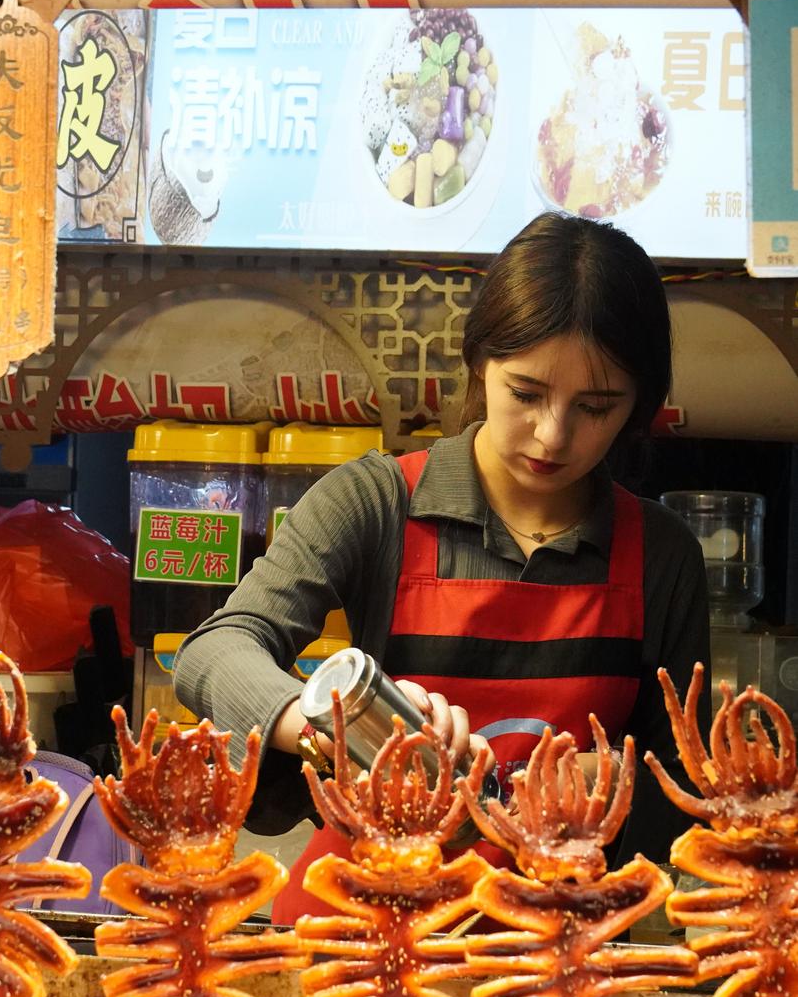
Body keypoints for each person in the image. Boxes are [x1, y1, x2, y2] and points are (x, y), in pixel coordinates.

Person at [173, 211, 710, 922]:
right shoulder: (375, 503)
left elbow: (690, 793)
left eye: (596, 407)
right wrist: (341, 733)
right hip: (357, 930)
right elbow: (213, 650)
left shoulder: (663, 554)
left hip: (548, 952)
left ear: (638, 405)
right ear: (479, 362)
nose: (553, 434)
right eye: (526, 394)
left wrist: (613, 791)